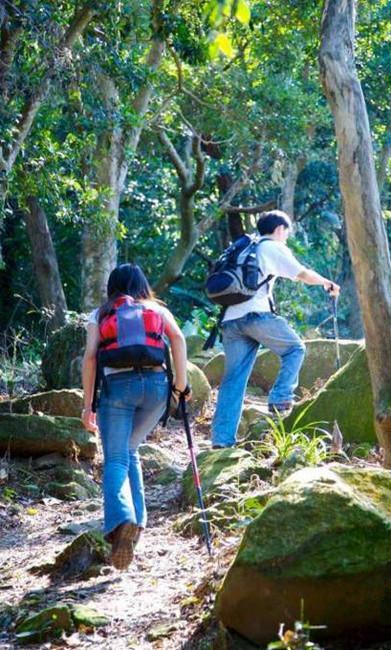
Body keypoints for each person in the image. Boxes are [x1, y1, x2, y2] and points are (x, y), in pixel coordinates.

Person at [81, 263, 190, 570]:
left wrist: (88, 404)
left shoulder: (101, 314)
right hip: (156, 387)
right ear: (142, 284)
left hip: (117, 387)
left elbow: (90, 359)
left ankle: (122, 521)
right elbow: (179, 339)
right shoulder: (155, 309)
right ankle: (136, 527)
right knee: (131, 450)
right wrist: (180, 385)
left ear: (111, 288)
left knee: (115, 458)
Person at [211, 210, 340, 449]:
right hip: (256, 316)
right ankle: (280, 399)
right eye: (286, 233)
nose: (286, 238)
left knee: (233, 381)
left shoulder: (245, 247)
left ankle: (221, 441)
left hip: (230, 320)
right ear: (280, 229)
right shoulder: (271, 246)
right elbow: (300, 273)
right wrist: (326, 282)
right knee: (295, 349)